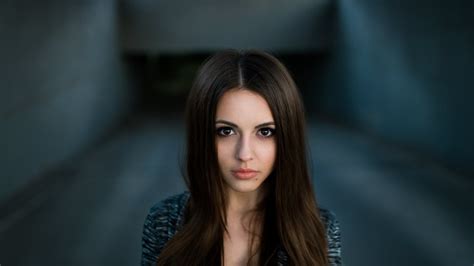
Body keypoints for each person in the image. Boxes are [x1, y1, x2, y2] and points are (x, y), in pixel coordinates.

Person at [141, 49, 342, 266]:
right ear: (203, 136)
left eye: (265, 132)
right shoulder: (165, 222)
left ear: (287, 138)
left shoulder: (321, 229)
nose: (244, 154)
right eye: (226, 131)